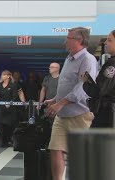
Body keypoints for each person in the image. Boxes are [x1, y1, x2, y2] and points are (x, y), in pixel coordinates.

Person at [44, 27, 97, 180]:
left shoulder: (88, 60)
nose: (65, 40)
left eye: (69, 38)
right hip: (62, 115)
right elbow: (66, 83)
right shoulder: (68, 58)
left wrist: (61, 103)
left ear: (79, 40)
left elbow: (82, 88)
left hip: (79, 114)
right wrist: (55, 100)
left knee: (78, 154)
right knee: (55, 149)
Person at [83, 30, 115, 128]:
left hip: (107, 115)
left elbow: (99, 91)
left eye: (109, 40)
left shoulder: (112, 64)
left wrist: (86, 82)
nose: (105, 43)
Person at [0, 70, 19, 147]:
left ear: (8, 76)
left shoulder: (13, 85)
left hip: (9, 108)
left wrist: (10, 103)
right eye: (2, 75)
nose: (2, 76)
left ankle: (8, 139)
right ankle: (0, 141)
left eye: (4, 75)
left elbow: (15, 96)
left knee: (7, 125)